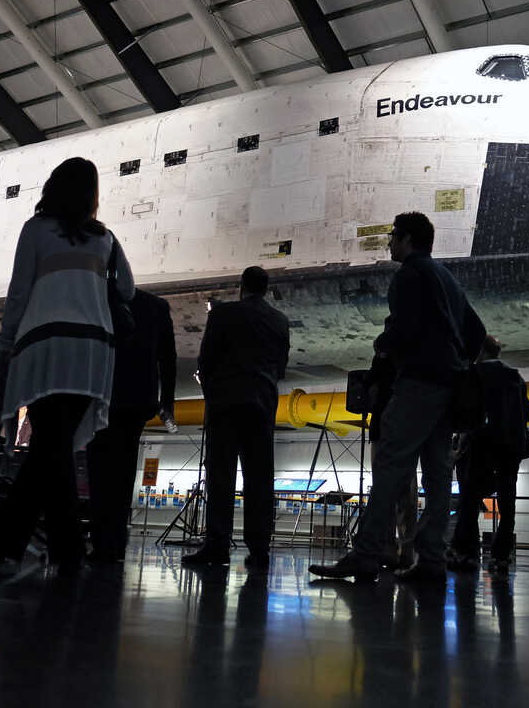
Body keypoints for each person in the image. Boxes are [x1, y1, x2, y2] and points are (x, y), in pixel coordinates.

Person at [0, 157, 135, 575]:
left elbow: (18, 294)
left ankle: (24, 550)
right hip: (93, 352)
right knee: (54, 447)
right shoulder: (105, 239)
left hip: (45, 347)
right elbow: (128, 289)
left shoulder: (36, 230)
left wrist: (6, 344)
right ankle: (49, 551)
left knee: (50, 446)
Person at [310, 211, 485, 584]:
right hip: (449, 386)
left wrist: (383, 344)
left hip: (419, 383)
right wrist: (455, 360)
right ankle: (432, 559)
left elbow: (402, 330)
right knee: (438, 476)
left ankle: (367, 553)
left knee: (390, 464)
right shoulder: (449, 279)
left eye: (392, 236)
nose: (388, 243)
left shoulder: (408, 275)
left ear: (407, 239)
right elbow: (477, 331)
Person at [182, 266, 289, 568]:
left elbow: (206, 359)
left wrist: (213, 394)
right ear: (266, 289)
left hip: (226, 403)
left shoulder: (222, 314)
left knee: (221, 475)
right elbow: (281, 365)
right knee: (259, 476)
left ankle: (217, 545)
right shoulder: (279, 321)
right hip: (262, 404)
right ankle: (259, 549)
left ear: (242, 286)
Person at [87, 289, 177, 563]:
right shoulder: (157, 306)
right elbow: (168, 359)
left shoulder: (99, 296)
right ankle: (116, 541)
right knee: (124, 472)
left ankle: (101, 541)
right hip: (138, 401)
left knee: (98, 471)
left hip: (102, 395)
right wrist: (167, 403)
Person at [449, 335, 529, 579]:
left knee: (469, 500)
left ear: (479, 351)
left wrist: (459, 448)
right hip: (512, 448)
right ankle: (501, 556)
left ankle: (466, 553)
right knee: (507, 505)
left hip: (482, 445)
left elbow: (468, 414)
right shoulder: (515, 376)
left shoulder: (475, 374)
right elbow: (526, 413)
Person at [365, 345, 418, 571]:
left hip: (383, 428)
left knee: (382, 492)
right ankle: (406, 551)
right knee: (406, 494)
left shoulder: (382, 358)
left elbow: (367, 385)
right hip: (406, 429)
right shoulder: (413, 357)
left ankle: (386, 548)